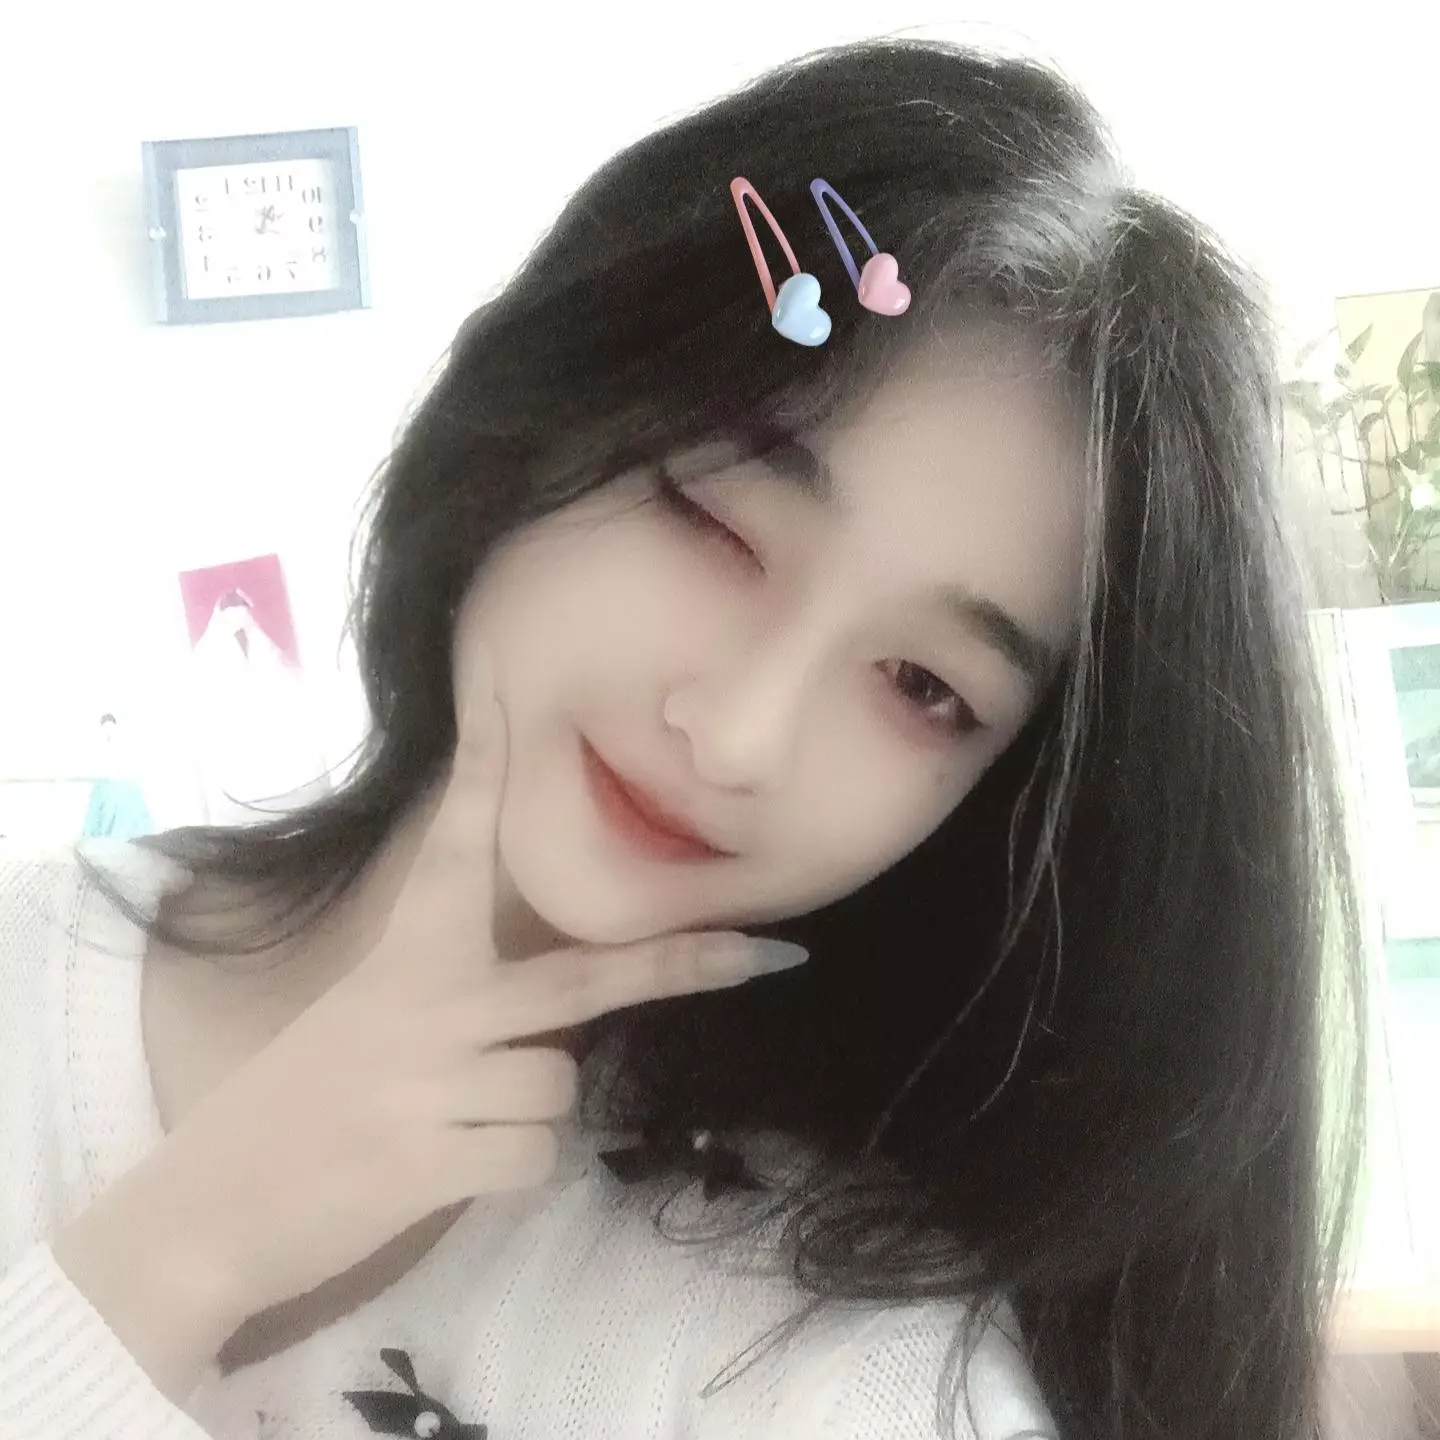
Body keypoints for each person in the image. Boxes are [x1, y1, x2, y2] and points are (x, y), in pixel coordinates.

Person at [0, 36, 1366, 1440]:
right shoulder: (31, 968)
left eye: (922, 686)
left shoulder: (829, 1352)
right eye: (714, 520)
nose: (739, 732)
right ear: (532, 426)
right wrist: (175, 1254)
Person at [80, 713, 154, 840]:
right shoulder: (125, 740)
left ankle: (97, 837)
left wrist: (87, 833)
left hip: (108, 785)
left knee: (102, 809)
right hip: (129, 793)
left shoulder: (102, 739)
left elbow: (95, 807)